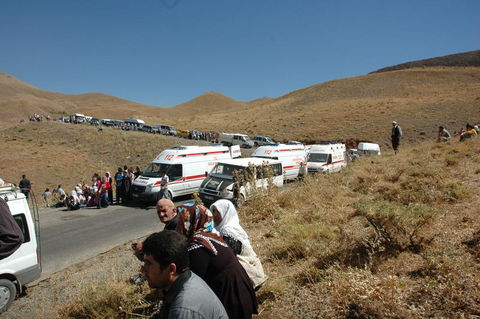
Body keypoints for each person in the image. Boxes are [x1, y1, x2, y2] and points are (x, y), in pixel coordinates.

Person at [176, 203, 258, 319]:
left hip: (231, 300)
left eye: (181, 222)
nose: (178, 226)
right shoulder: (208, 236)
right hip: (239, 294)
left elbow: (190, 283)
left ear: (191, 221)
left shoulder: (198, 246)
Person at [141, 231, 228, 319]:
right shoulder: (185, 280)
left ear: (171, 269)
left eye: (149, 263)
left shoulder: (184, 309)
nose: (143, 270)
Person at [210, 199, 267, 289]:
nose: (212, 215)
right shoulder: (228, 227)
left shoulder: (227, 230)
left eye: (215, 211)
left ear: (225, 212)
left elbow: (229, 254)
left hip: (249, 274)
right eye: (212, 211)